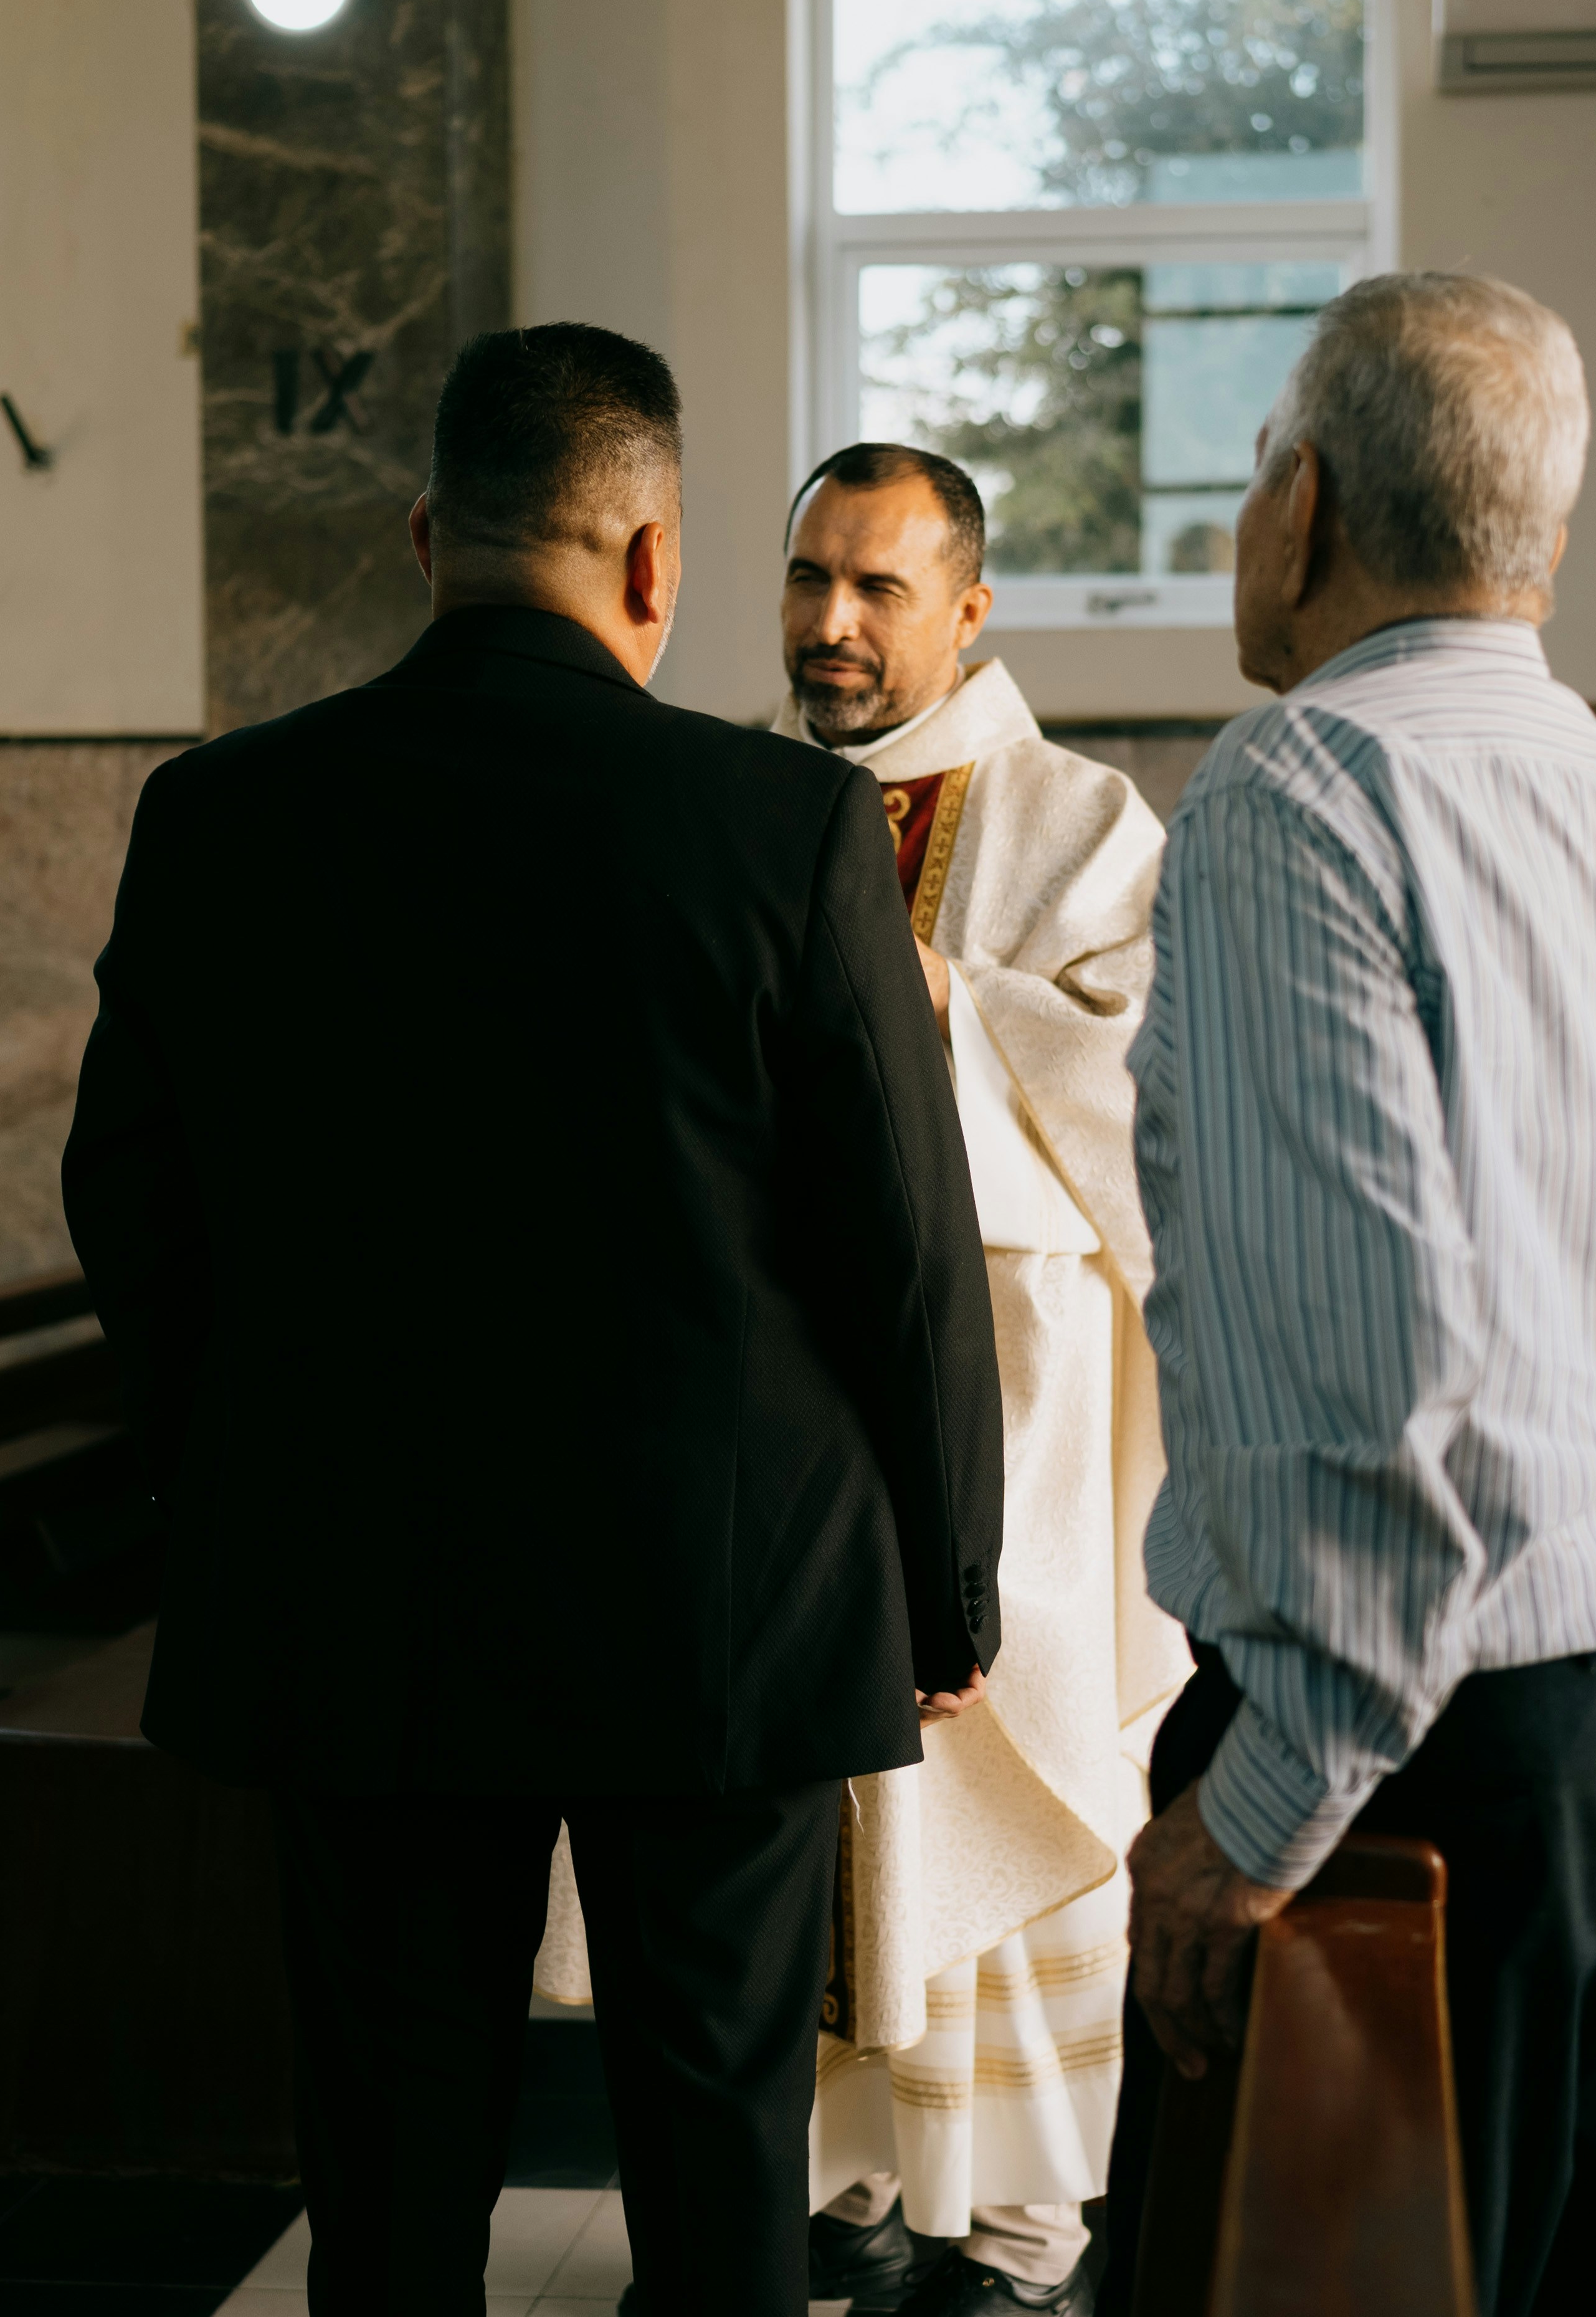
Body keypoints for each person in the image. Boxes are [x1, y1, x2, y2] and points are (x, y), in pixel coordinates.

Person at [62, 323, 1007, 2317]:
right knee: (718, 2142)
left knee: (390, 2168)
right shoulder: (788, 829)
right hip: (723, 1606)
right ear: (658, 563)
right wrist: (946, 1589)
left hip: (358, 1587)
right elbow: (903, 1246)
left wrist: (235, 1483)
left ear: (428, 536)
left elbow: (132, 1205)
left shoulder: (223, 815)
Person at [1107, 272, 1596, 2316]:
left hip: (1433, 1731)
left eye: (1249, 476)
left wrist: (1260, 1805)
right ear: (1545, 546)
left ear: (1300, 506)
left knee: (1322, 2285)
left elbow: (1360, 1374)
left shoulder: (1293, 797)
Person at [536, 445, 1184, 2317]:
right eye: (809, 578)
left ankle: (1012, 2227)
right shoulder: (724, 802)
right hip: (785, 1422)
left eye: (879, 590)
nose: (829, 623)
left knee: (989, 1788)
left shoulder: (1082, 825)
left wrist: (911, 1017)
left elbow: (1138, 1094)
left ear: (969, 609)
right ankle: (841, 2194)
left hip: (1016, 1425)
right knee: (798, 1816)